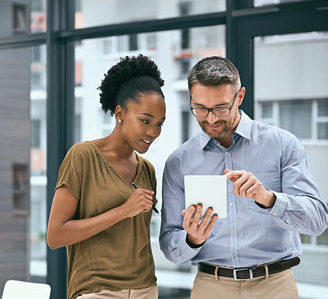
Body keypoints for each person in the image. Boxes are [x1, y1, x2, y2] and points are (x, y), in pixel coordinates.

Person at [159, 56, 328, 299]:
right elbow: (169, 246)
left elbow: (318, 221)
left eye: (221, 107)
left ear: (240, 96)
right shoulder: (179, 162)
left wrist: (268, 199)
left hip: (274, 287)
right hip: (211, 288)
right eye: (200, 108)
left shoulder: (282, 144)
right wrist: (192, 239)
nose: (211, 118)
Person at [47, 54, 166, 299]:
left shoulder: (147, 169)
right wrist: (124, 210)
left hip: (146, 288)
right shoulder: (82, 156)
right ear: (120, 113)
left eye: (159, 123)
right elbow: (55, 235)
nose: (153, 132)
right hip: (97, 290)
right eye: (145, 120)